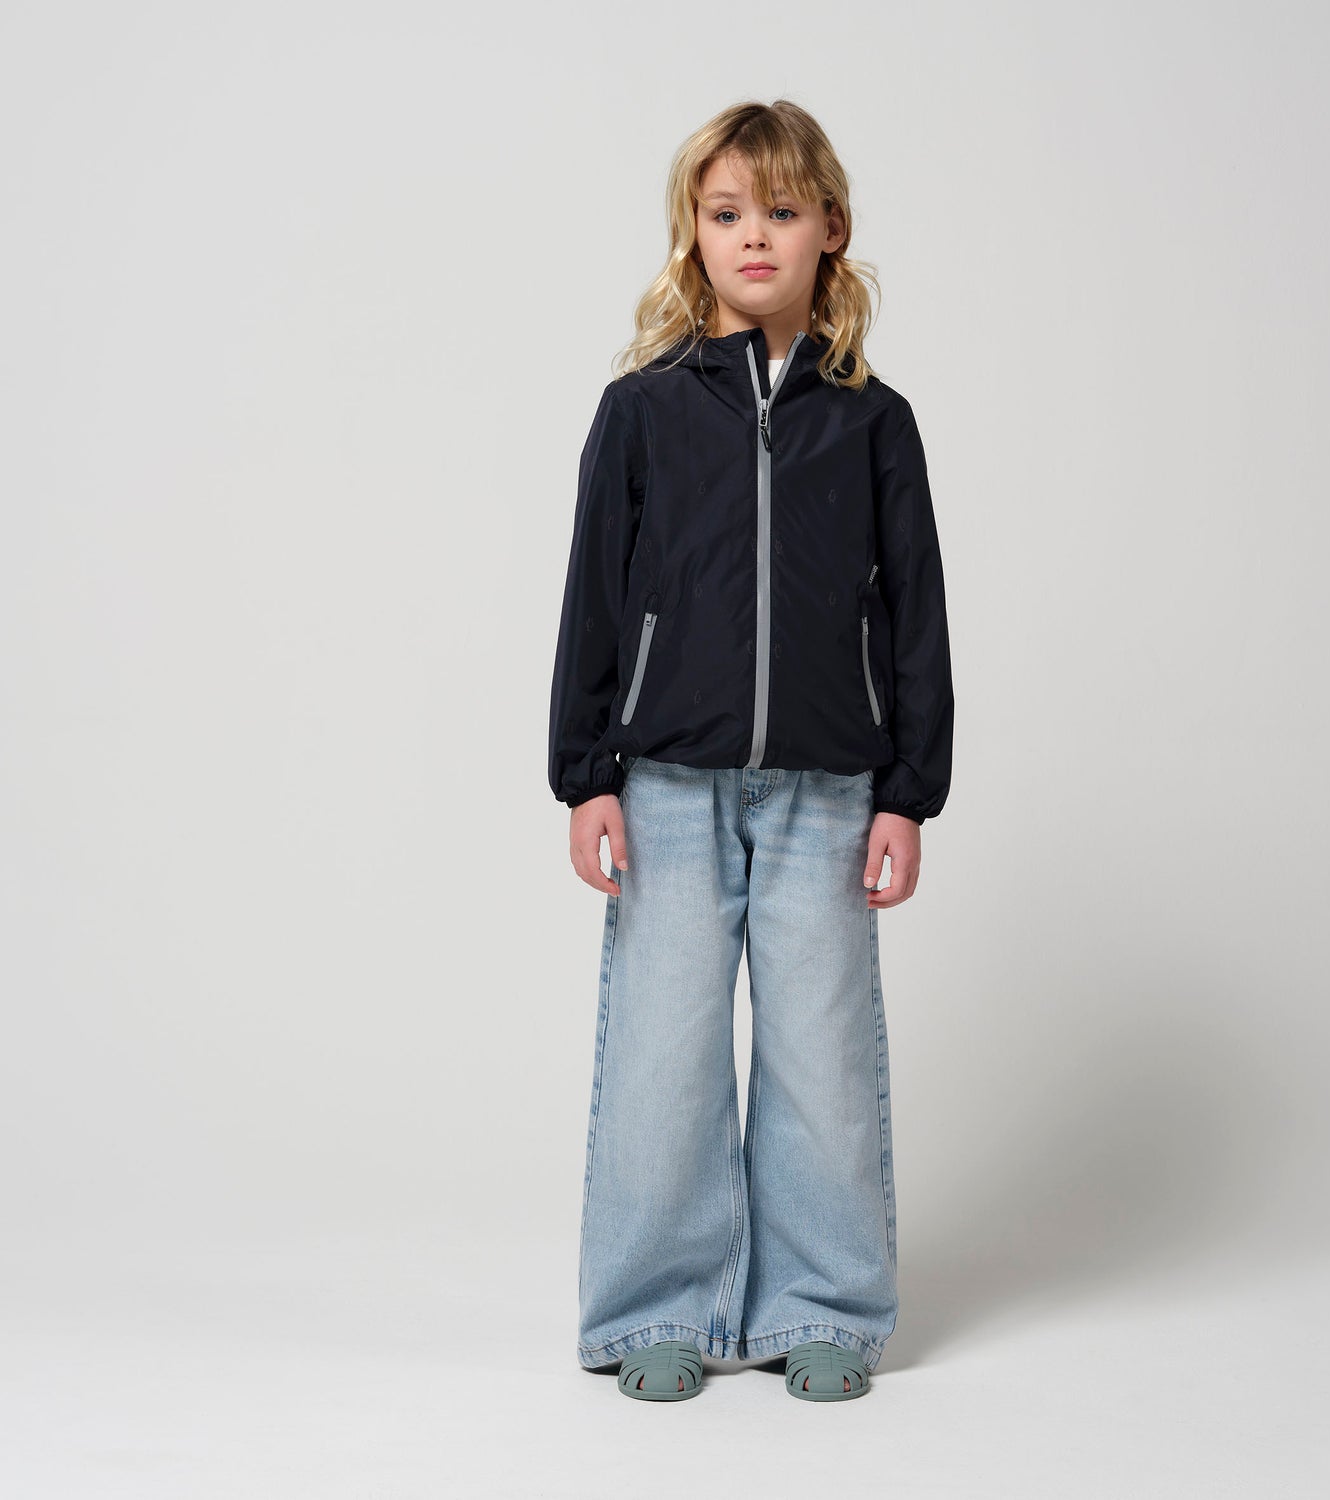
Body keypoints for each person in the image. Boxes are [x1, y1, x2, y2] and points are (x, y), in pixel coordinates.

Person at [546, 98, 955, 1403]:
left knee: (823, 1063)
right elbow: (595, 596)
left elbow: (916, 611)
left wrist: (909, 794)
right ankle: (654, 1309)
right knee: (662, 1057)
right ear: (694, 233)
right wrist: (586, 773)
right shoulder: (643, 412)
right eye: (728, 214)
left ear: (831, 228)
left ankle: (823, 1306)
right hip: (666, 782)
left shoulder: (874, 421)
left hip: (829, 789)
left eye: (782, 210)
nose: (755, 235)